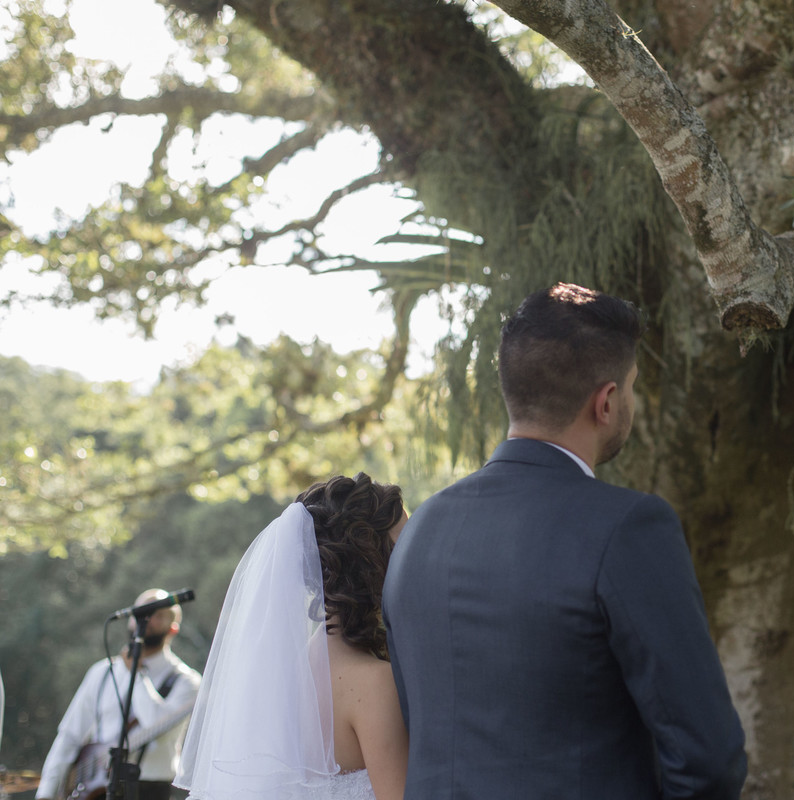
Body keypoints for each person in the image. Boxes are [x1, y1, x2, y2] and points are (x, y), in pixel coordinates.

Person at [383, 282, 747, 799]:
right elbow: (709, 759)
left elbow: (421, 726)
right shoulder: (629, 528)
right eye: (634, 386)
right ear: (607, 401)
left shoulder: (420, 531)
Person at [174, 473, 409, 800]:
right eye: (404, 545)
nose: (413, 559)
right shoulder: (374, 684)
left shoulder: (276, 678)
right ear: (371, 560)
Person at [37, 589, 202, 800]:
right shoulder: (101, 672)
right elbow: (69, 735)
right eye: (141, 613)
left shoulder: (187, 681)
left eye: (157, 615)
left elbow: (154, 724)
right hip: (95, 790)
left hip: (150, 790)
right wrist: (46, 793)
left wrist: (138, 671)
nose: (147, 619)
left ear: (173, 628)